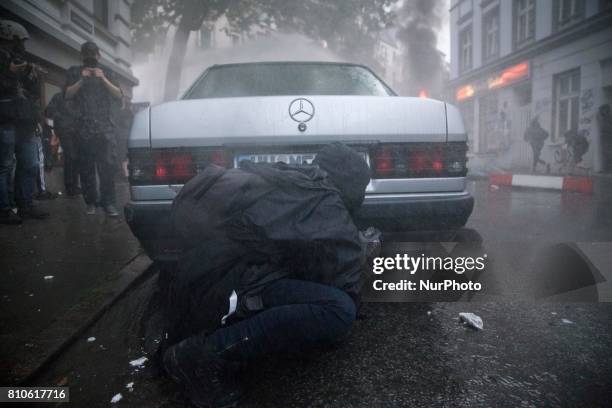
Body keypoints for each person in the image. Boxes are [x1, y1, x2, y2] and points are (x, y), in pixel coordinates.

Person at [163, 142, 371, 408]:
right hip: (226, 285)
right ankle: (202, 355)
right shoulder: (324, 201)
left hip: (205, 275)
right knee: (338, 311)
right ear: (352, 184)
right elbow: (344, 280)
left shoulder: (291, 181)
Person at [64, 41, 122, 216]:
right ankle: (91, 202)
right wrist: (82, 79)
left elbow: (119, 94)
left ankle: (108, 203)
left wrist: (102, 78)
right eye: (86, 54)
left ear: (99, 55)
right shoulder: (74, 72)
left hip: (104, 129)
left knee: (107, 168)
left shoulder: (108, 72)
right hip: (83, 129)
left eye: (93, 54)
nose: (90, 57)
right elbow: (67, 94)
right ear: (82, 56)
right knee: (86, 169)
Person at [0, 20, 49, 224]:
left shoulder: (20, 59)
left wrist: (31, 74)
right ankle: (4, 209)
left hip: (25, 121)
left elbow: (32, 94)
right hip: (4, 120)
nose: (21, 45)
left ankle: (25, 205)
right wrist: (8, 71)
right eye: (18, 41)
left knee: (30, 163)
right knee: (4, 166)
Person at [46, 91, 81, 196]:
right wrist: (61, 120)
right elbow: (49, 111)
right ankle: (70, 186)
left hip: (77, 131)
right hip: (65, 131)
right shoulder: (59, 96)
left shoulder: (78, 96)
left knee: (75, 157)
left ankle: (74, 185)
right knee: (70, 156)